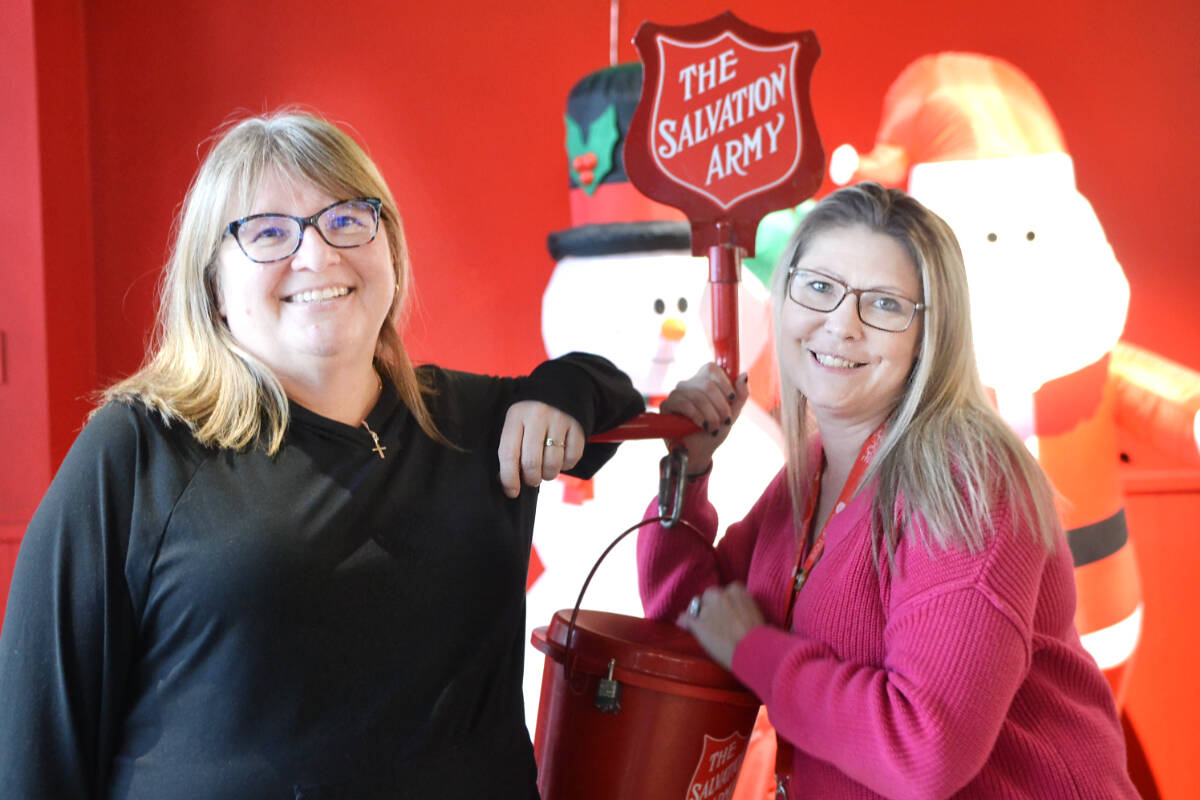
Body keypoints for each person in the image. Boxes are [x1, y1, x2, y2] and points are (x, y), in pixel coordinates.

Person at [0, 110, 643, 799]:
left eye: (346, 220)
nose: (316, 256)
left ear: (389, 250)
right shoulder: (139, 448)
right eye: (269, 232)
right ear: (212, 285)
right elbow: (38, 744)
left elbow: (616, 390)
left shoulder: (470, 423)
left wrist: (567, 389)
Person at [637, 183, 1138, 798]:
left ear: (931, 334)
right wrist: (685, 471)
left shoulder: (966, 479)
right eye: (819, 287)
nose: (841, 325)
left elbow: (925, 749)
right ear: (784, 296)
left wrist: (755, 651)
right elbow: (693, 626)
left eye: (883, 304)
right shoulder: (814, 472)